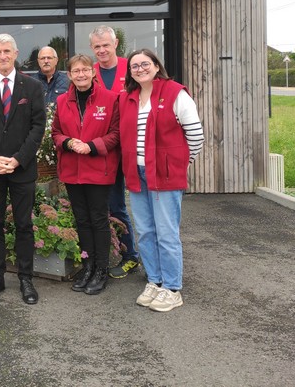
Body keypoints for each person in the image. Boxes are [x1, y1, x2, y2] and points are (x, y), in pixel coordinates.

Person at [118, 49, 204, 312]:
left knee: (166, 233)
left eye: (145, 64)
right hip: (137, 174)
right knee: (145, 231)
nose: (140, 69)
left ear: (156, 66)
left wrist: (178, 165)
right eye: (134, 66)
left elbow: (196, 137)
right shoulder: (128, 98)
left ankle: (172, 287)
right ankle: (155, 281)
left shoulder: (175, 93)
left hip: (165, 175)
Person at [0, 34, 46, 305]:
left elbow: (38, 126)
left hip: (21, 168)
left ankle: (26, 278)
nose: (2, 56)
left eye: (7, 51)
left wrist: (17, 159)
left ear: (15, 53)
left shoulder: (33, 87)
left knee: (24, 225)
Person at [51, 54, 120, 295]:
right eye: (75, 71)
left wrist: (91, 146)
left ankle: (101, 269)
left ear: (93, 72)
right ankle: (88, 265)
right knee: (81, 219)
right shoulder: (61, 101)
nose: (81, 74)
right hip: (72, 169)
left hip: (98, 168)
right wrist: (68, 142)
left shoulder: (110, 99)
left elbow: (116, 134)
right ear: (69, 75)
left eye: (85, 70)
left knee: (99, 220)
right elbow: (56, 132)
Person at [89, 25, 140, 279]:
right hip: (100, 149)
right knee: (103, 205)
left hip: (128, 148)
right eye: (97, 46)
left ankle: (131, 256)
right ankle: (110, 251)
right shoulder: (90, 71)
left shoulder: (131, 67)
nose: (101, 50)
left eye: (105, 45)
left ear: (115, 43)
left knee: (120, 205)